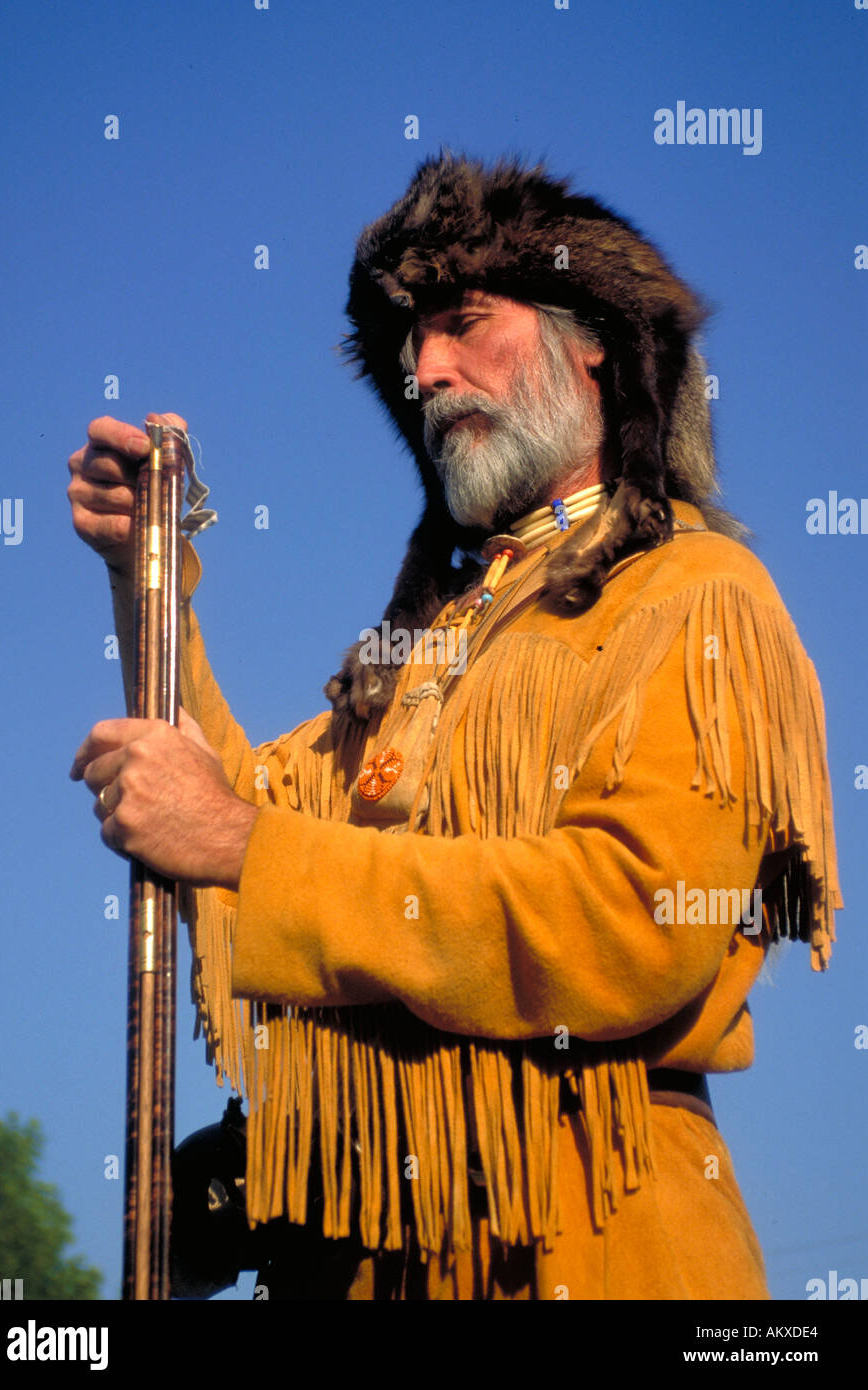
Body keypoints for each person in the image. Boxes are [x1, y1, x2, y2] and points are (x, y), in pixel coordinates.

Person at [67, 153, 842, 1300]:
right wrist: (152, 589)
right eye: (408, 346)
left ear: (593, 342)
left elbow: (630, 923)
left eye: (462, 324)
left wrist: (240, 841)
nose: (424, 371)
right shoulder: (417, 659)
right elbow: (240, 850)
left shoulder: (696, 594)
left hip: (598, 1239)